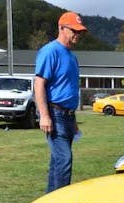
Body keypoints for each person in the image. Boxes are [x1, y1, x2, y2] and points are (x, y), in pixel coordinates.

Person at [34, 11, 87, 193]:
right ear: (61, 28)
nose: (77, 35)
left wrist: (74, 121)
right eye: (74, 31)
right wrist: (44, 115)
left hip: (68, 116)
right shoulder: (50, 51)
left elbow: (69, 89)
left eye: (80, 32)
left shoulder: (72, 57)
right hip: (55, 114)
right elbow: (39, 83)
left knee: (58, 162)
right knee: (64, 160)